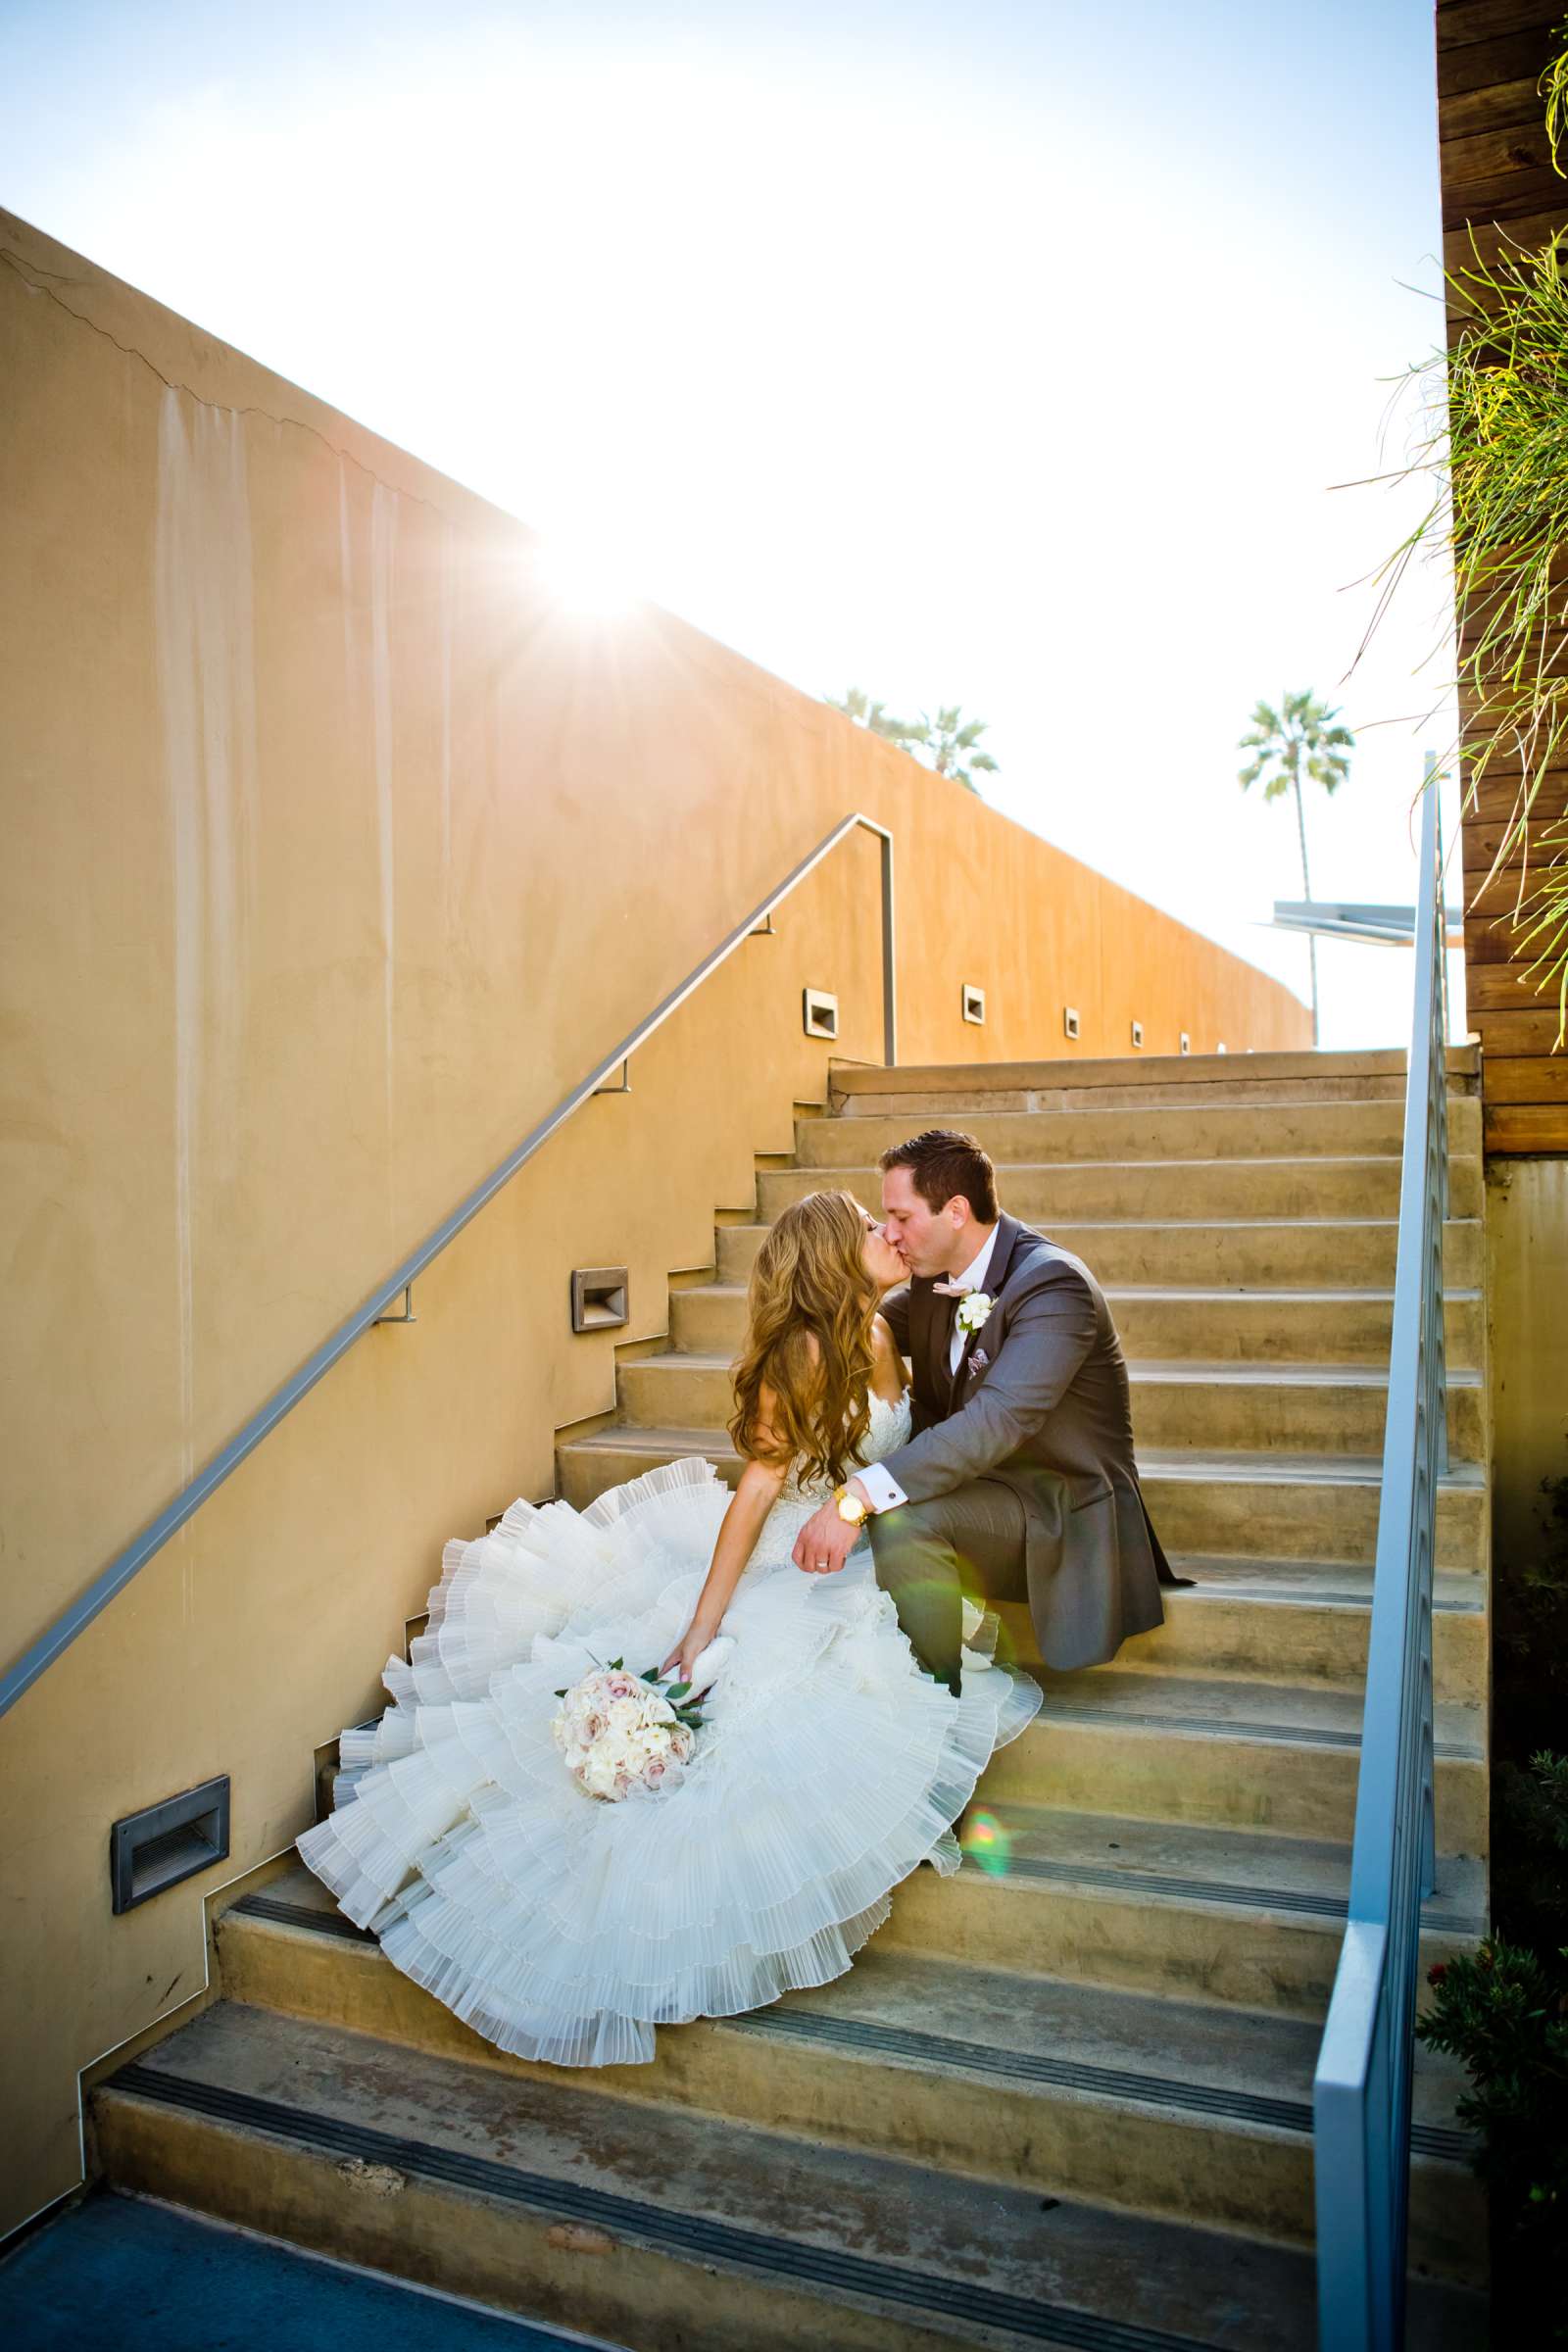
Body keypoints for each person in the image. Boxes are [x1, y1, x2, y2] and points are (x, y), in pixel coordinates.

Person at [296, 1188, 1041, 2068]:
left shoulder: (880, 1331)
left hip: (862, 1547)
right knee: (779, 1699)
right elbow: (757, 1497)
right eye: (870, 1228)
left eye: (891, 1224)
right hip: (789, 1560)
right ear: (832, 1257)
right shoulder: (800, 1356)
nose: (890, 1233)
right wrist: (702, 1626)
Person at [793, 1128, 1190, 1691]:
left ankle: (934, 1705)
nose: (890, 1233)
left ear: (955, 1210)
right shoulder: (936, 1279)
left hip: (1053, 1504)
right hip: (977, 1486)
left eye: (901, 1218)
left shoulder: (1053, 1286)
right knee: (897, 1503)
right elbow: (857, 1323)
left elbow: (998, 1419)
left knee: (902, 1519)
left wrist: (856, 1495)